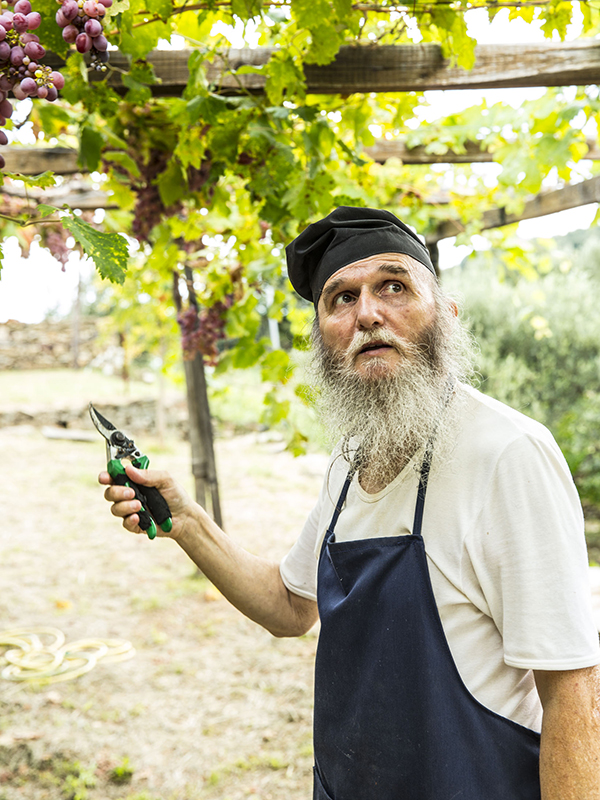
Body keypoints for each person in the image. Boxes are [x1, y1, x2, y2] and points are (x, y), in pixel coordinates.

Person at [100, 207, 600, 800]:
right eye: (340, 298)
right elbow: (290, 607)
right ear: (323, 342)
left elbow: (573, 690)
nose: (367, 313)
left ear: (447, 313)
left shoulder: (506, 453)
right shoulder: (351, 460)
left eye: (394, 286)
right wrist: (186, 519)